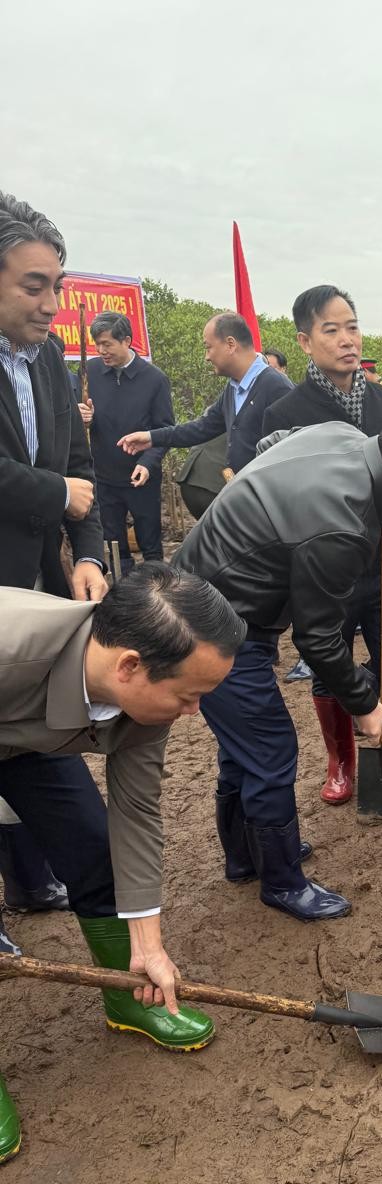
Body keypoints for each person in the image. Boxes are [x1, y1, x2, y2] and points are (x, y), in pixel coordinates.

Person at [173, 414, 382, 922]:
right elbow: (316, 639)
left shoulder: (349, 439)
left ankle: (247, 857)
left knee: (242, 748)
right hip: (212, 625)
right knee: (269, 749)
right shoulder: (341, 519)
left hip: (210, 598)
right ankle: (283, 882)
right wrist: (365, 703)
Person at [0, 563, 246, 1165]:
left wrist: (150, 945)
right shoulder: (9, 650)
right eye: (188, 696)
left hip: (29, 737)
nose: (194, 714)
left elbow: (135, 812)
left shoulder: (144, 701)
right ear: (130, 666)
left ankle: (127, 997)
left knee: (93, 851)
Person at [259, 285, 382, 797]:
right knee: (329, 659)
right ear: (304, 341)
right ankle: (340, 762)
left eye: (353, 327)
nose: (346, 340)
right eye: (331, 330)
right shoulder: (288, 412)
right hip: (324, 571)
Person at [0, 190, 108, 940]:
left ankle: (128, 979)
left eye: (57, 287)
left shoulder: (49, 366)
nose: (50, 303)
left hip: (30, 606)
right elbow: (57, 485)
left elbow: (79, 471)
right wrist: (55, 494)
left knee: (64, 794)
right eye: (32, 285)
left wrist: (92, 553)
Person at [118, 312, 291, 478]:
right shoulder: (233, 388)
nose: (206, 357)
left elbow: (290, 456)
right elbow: (201, 428)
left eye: (208, 348)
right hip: (242, 496)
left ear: (231, 344)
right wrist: (151, 438)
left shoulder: (277, 388)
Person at [76, 311, 172, 575]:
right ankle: (122, 590)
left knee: (150, 542)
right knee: (113, 542)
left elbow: (164, 431)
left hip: (140, 477)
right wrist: (84, 417)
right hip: (104, 476)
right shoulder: (90, 372)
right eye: (97, 344)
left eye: (107, 344)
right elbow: (75, 414)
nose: (101, 350)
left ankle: (154, 591)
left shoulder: (154, 379)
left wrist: (148, 463)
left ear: (127, 340)